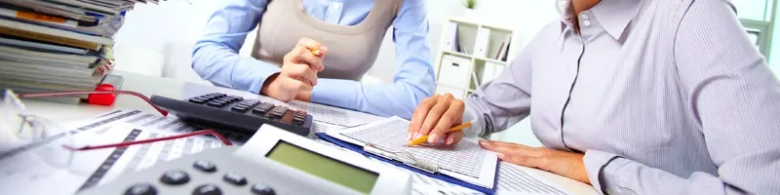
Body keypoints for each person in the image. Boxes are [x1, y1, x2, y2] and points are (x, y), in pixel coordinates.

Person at [407, 0, 780, 194]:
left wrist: (594, 168)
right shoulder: (551, 39)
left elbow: (762, 188)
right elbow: (485, 109)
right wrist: (454, 112)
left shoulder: (692, 16)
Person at [192, 0, 434, 118]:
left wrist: (300, 90)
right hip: (250, 112)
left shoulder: (407, 4)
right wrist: (271, 82)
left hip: (338, 133)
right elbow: (208, 51)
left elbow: (416, 97)